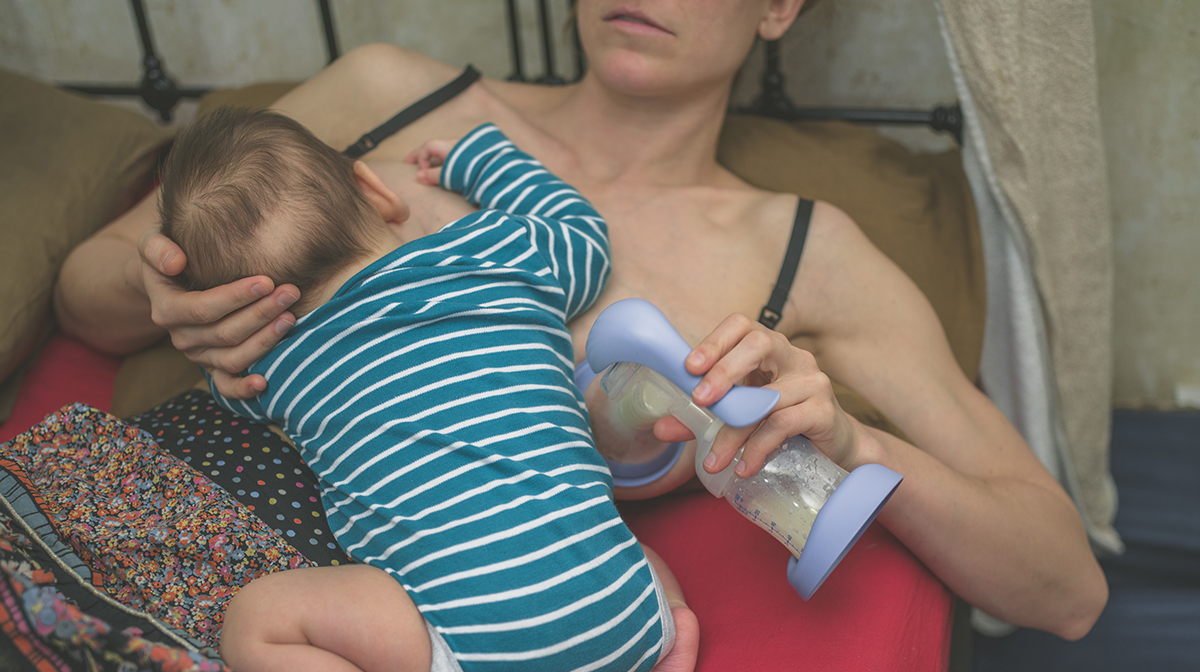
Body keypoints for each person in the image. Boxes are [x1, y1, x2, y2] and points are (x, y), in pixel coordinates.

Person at [53, 0, 1108, 639]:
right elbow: (86, 291)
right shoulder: (390, 96)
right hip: (199, 517)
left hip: (438, 646)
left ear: (779, 6)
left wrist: (856, 443)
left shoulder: (806, 252)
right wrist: (165, 297)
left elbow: (1063, 585)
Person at [156, 106, 700, 672]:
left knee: (254, 623)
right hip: (620, 617)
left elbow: (227, 400)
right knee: (587, 527)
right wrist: (479, 157)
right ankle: (671, 623)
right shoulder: (499, 253)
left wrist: (223, 364)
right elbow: (583, 233)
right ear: (377, 193)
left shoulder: (273, 368)